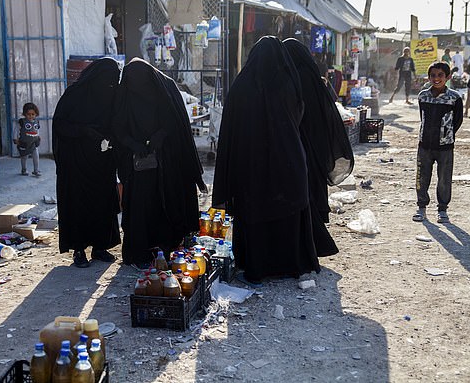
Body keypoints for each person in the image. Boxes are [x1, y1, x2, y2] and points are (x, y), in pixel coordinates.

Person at [212, 36, 320, 285]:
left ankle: (256, 268)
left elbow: (230, 129)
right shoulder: (288, 83)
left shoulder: (242, 86)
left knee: (255, 213)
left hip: (251, 165)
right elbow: (300, 114)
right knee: (287, 211)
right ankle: (288, 265)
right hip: (288, 160)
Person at [113, 58, 207, 268]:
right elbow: (117, 126)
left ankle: (166, 246)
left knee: (165, 200)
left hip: (166, 160)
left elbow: (176, 120)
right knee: (141, 205)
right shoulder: (124, 94)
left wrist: (160, 136)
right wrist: (133, 144)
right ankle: (141, 252)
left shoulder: (165, 87)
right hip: (137, 164)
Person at [283, 38, 355, 257]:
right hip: (316, 142)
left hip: (302, 142)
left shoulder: (296, 78)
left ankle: (310, 239)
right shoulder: (312, 76)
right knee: (313, 187)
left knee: (304, 190)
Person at [52, 58, 121, 268]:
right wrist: (84, 131)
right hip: (76, 161)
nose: (110, 86)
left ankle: (100, 247)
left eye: (114, 81)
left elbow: (117, 121)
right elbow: (60, 124)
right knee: (78, 203)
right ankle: (79, 249)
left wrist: (109, 137)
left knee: (102, 203)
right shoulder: (75, 94)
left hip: (102, 161)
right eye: (107, 81)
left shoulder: (112, 95)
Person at [412, 62, 463, 224]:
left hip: (445, 147)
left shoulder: (454, 98)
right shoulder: (423, 96)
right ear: (429, 77)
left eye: (440, 75)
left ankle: (442, 209)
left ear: (447, 77)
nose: (436, 78)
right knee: (422, 177)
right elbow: (423, 118)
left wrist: (446, 134)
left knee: (444, 179)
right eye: (433, 75)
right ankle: (421, 207)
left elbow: (457, 121)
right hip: (424, 145)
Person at [15, 102, 41, 176]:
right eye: (28, 114)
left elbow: (37, 129)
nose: (31, 116)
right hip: (24, 143)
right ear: (24, 114)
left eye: (33, 114)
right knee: (24, 157)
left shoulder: (37, 121)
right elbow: (16, 130)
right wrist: (16, 139)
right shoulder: (22, 122)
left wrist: (38, 136)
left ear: (36, 114)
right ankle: (24, 170)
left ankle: (36, 170)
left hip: (33, 143)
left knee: (36, 156)